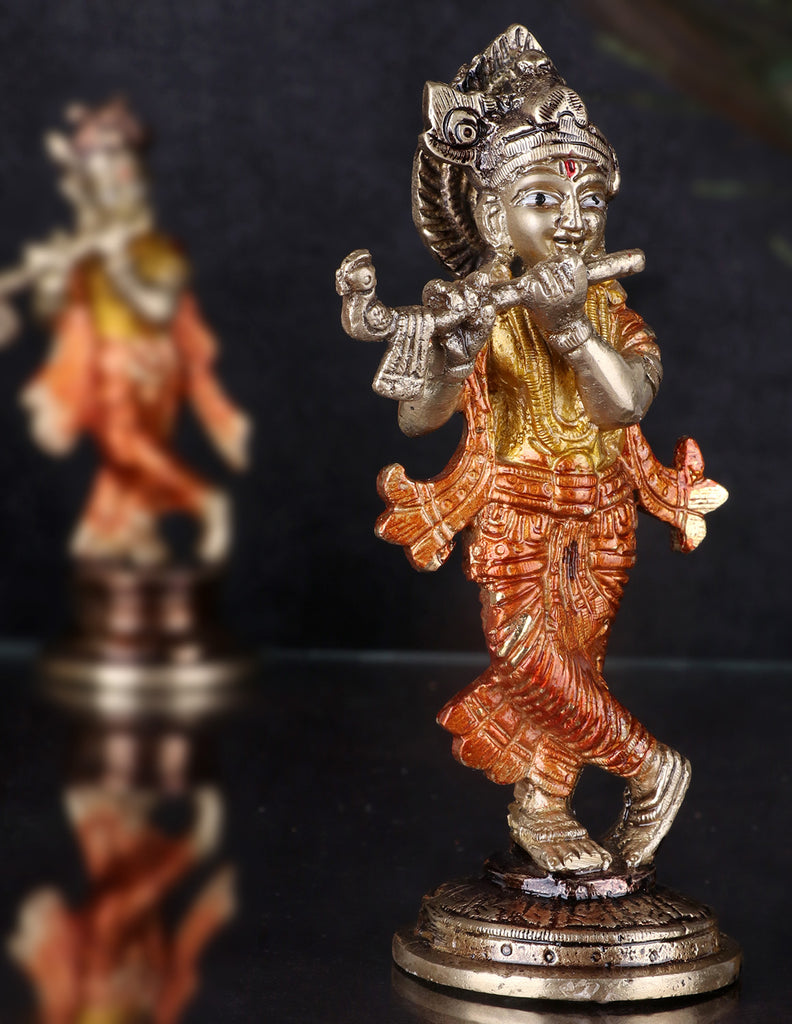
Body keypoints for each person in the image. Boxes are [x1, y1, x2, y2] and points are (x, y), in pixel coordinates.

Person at [341, 26, 726, 874]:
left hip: (605, 517)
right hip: (515, 512)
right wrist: (451, 354)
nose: (574, 221)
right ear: (492, 216)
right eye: (544, 199)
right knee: (527, 659)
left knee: (576, 664)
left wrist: (571, 328)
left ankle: (543, 807)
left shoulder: (613, 315)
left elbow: (625, 402)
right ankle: (650, 769)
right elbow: (418, 421)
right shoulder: (480, 310)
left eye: (588, 200)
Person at [4, 98, 248, 565]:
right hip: (105, 361)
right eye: (100, 183)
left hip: (148, 362)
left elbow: (158, 308)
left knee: (125, 446)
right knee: (125, 468)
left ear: (139, 180)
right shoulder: (87, 248)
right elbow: (53, 316)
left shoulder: (158, 250)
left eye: (120, 177)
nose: (112, 191)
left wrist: (119, 264)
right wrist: (49, 282)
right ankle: (139, 537)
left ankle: (206, 502)